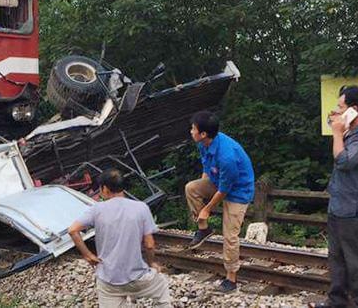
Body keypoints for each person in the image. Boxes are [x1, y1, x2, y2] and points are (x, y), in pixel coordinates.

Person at [310, 86, 358, 308]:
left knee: (357, 261)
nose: (336, 112)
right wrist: (340, 131)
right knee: (336, 258)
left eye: (341, 107)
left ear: (353, 109)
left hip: (353, 208)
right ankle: (336, 301)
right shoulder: (350, 132)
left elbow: (344, 161)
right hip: (338, 205)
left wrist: (337, 133)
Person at [68, 169, 172, 308]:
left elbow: (73, 230)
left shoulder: (96, 209)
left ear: (104, 188)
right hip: (138, 278)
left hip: (108, 281)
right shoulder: (141, 208)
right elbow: (149, 244)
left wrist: (88, 255)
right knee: (161, 285)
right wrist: (151, 263)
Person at [185, 110, 255, 293]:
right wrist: (202, 196)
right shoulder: (204, 144)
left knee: (230, 236)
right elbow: (206, 169)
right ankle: (203, 229)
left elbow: (225, 190)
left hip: (238, 191)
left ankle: (231, 279)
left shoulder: (227, 156)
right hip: (218, 182)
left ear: (203, 134)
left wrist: (207, 209)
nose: (190, 131)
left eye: (193, 129)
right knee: (191, 188)